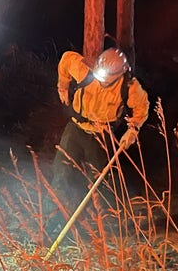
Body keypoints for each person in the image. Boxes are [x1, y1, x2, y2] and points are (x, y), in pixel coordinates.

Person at [50, 47, 149, 206]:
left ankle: (96, 215)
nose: (101, 79)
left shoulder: (129, 86)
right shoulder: (85, 71)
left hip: (101, 134)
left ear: (119, 74)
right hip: (76, 127)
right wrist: (63, 86)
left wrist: (133, 129)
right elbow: (66, 58)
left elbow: (142, 107)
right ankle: (58, 209)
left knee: (97, 178)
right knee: (61, 170)